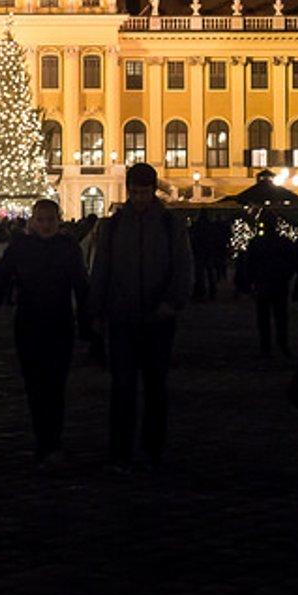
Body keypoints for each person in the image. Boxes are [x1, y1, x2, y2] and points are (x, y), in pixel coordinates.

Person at [90, 162, 192, 473]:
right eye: (134, 192)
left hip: (158, 318)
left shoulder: (170, 224)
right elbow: (101, 269)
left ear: (153, 190)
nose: (138, 198)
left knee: (155, 387)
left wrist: (172, 302)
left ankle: (152, 448)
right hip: (122, 317)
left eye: (144, 192)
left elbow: (183, 266)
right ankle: (120, 451)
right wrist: (96, 310)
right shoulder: (114, 225)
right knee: (122, 388)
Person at [0, 198, 91, 467]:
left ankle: (52, 441)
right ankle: (42, 437)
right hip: (29, 323)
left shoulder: (68, 248)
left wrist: (88, 322)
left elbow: (80, 283)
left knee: (55, 386)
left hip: (60, 323)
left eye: (50, 220)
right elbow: (3, 274)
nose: (45, 225)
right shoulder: (21, 246)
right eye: (41, 220)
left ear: (59, 221)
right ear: (33, 221)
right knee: (34, 386)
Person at [236, 217, 298, 357]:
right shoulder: (284, 242)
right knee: (281, 316)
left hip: (263, 283)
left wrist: (248, 283)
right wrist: (286, 276)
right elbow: (294, 262)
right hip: (279, 283)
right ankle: (282, 343)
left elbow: (250, 265)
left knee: (263, 317)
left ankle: (266, 346)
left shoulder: (256, 243)